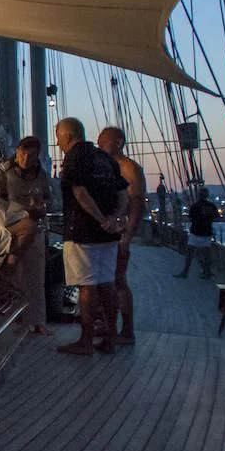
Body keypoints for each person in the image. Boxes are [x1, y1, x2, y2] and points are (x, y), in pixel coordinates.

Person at [54, 117, 128, 356]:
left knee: (87, 286)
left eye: (58, 138)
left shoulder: (74, 157)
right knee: (107, 283)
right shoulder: (104, 158)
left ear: (67, 136)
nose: (58, 143)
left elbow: (80, 192)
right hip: (109, 235)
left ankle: (86, 341)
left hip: (82, 232)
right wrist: (114, 218)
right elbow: (123, 194)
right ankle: (110, 337)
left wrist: (100, 218)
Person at [0, 136, 53, 336]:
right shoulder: (4, 172)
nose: (25, 159)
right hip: (11, 226)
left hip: (34, 225)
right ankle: (16, 320)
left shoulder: (41, 175)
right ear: (17, 151)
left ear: (37, 155)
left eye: (30, 155)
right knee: (14, 275)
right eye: (22, 154)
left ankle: (38, 321)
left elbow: (49, 198)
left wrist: (41, 205)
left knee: (36, 275)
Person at [98, 127, 145, 344]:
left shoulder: (129, 168)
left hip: (119, 232)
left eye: (103, 142)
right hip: (106, 231)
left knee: (118, 280)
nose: (99, 146)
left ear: (118, 143)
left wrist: (127, 237)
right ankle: (107, 325)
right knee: (104, 281)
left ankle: (127, 330)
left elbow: (137, 204)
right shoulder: (106, 167)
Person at [177, 188, 219, 279]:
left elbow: (191, 217)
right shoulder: (212, 206)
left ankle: (185, 272)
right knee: (206, 255)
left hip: (195, 232)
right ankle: (207, 272)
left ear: (198, 196)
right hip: (207, 233)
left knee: (190, 253)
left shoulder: (195, 206)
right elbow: (216, 216)